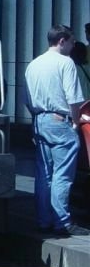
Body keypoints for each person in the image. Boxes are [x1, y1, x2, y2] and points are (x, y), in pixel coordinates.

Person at [24, 25, 90, 237]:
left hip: (39, 120)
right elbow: (75, 100)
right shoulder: (66, 63)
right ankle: (62, 222)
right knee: (63, 175)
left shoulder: (33, 65)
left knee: (44, 175)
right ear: (62, 41)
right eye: (71, 42)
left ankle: (44, 221)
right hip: (60, 120)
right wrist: (75, 122)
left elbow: (27, 100)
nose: (73, 46)